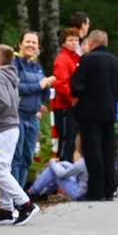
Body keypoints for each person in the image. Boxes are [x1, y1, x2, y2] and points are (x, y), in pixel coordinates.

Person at [0, 44, 40, 226]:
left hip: (1, 128)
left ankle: (25, 204)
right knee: (4, 168)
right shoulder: (10, 75)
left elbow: (3, 102)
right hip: (10, 127)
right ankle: (6, 209)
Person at [70, 30, 118, 202]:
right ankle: (109, 189)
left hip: (89, 112)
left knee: (93, 152)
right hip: (109, 112)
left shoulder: (86, 60)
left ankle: (96, 191)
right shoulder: (115, 61)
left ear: (91, 43)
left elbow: (77, 87)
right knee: (108, 151)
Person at [12, 31, 54, 188]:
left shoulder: (37, 67)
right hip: (17, 115)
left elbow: (44, 95)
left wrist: (46, 86)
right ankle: (13, 199)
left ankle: (21, 196)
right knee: (16, 158)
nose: (31, 45)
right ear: (20, 44)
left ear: (38, 47)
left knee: (27, 157)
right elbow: (15, 87)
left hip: (33, 117)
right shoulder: (14, 63)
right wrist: (39, 85)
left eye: (34, 43)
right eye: (28, 41)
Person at [51, 27, 81, 162]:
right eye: (70, 40)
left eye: (76, 40)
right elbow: (61, 84)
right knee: (66, 142)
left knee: (73, 142)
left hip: (74, 107)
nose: (74, 43)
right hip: (65, 107)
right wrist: (73, 100)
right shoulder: (62, 59)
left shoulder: (77, 58)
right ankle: (61, 174)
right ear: (63, 43)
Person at [31, 137, 89, 201]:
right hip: (84, 188)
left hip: (78, 193)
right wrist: (61, 163)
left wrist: (52, 161)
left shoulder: (83, 162)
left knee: (53, 170)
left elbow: (61, 174)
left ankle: (32, 192)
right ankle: (44, 193)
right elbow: (74, 168)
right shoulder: (90, 159)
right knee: (56, 168)